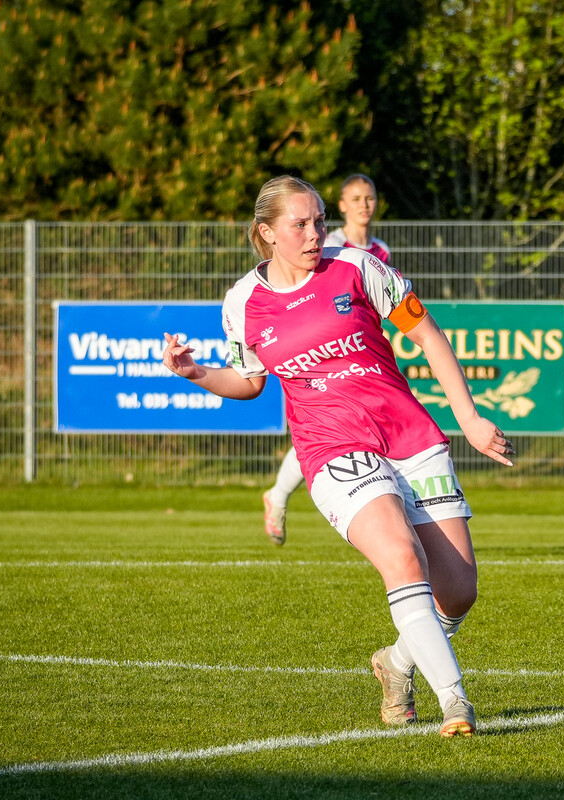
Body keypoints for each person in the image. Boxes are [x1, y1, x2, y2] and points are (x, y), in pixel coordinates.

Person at [162, 175, 513, 737]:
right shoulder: (243, 302)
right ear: (266, 232)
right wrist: (196, 373)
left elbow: (427, 335)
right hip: (331, 447)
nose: (314, 234)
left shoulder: (357, 267)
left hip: (408, 434)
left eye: (320, 221)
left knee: (458, 591)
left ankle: (395, 663)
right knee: (402, 558)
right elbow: (250, 381)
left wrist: (468, 418)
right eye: (299, 224)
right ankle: (455, 703)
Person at [262, 173, 390, 546]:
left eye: (370, 197)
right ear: (343, 205)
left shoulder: (380, 250)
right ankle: (280, 497)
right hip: (323, 357)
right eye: (356, 198)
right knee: (323, 431)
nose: (365, 205)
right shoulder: (328, 244)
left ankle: (389, 508)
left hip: (363, 355)